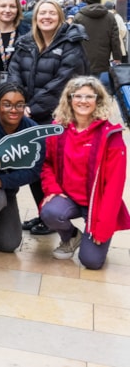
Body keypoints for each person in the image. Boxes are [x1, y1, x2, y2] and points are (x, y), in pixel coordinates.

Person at [7, 0, 88, 235]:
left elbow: (64, 81)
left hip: (56, 118)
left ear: (60, 17)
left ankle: (53, 215)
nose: (46, 17)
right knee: (34, 167)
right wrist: (19, 104)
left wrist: (31, 107)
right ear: (35, 17)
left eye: (52, 13)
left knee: (50, 168)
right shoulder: (25, 42)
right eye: (42, 13)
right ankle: (44, 213)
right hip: (27, 114)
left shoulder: (72, 43)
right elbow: (14, 74)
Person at [40, 76, 130, 269]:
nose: (83, 101)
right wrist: (52, 189)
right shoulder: (58, 129)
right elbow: (46, 163)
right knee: (50, 212)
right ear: (69, 99)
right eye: (78, 96)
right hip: (69, 198)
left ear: (98, 100)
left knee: (91, 262)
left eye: (89, 96)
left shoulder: (110, 135)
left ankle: (94, 236)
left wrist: (103, 227)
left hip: (96, 204)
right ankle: (71, 237)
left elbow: (114, 187)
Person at [0, 82, 42, 254]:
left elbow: (34, 171)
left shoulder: (32, 129)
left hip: (7, 187)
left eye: (20, 105)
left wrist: (1, 181)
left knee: (9, 243)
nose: (14, 110)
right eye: (7, 104)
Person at [73, 0, 123, 91]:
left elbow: (73, 37)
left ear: (87, 1)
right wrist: (117, 57)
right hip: (102, 57)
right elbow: (115, 39)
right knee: (97, 83)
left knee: (83, 84)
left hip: (83, 56)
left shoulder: (79, 16)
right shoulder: (110, 17)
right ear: (99, 1)